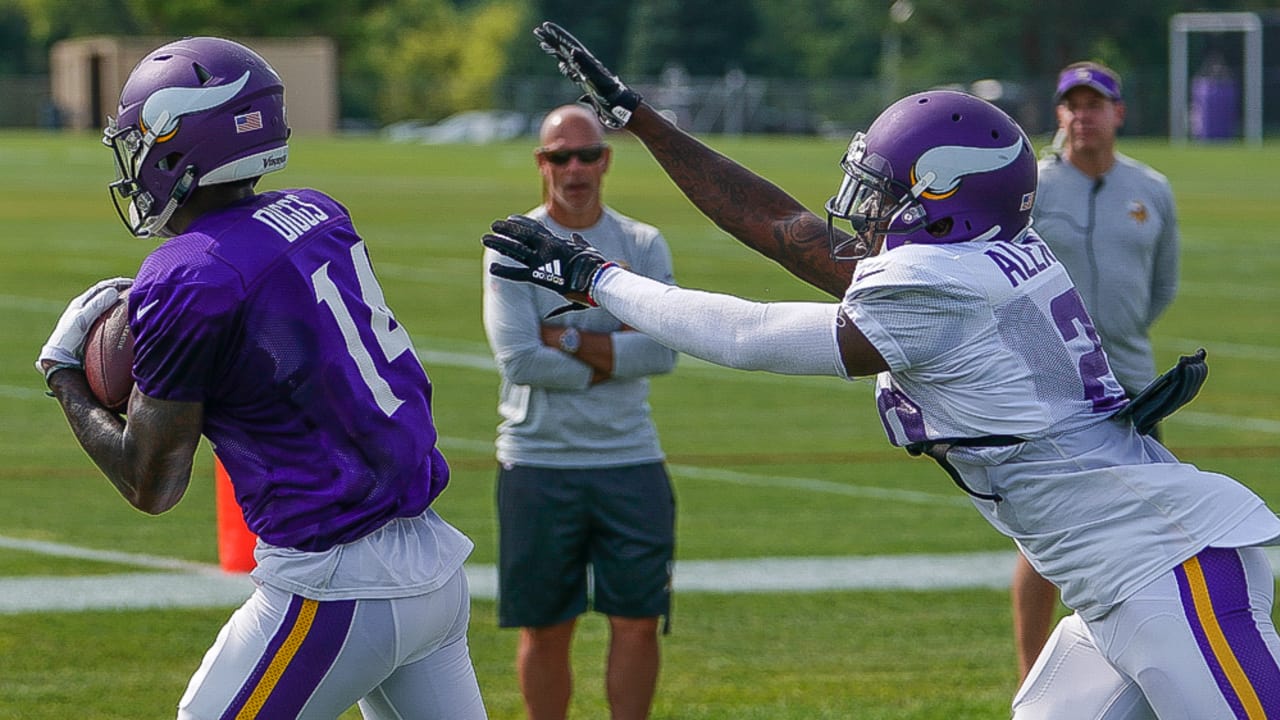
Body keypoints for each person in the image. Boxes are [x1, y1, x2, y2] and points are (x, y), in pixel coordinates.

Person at [482, 22, 1280, 718]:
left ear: (946, 198)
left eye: (886, 192)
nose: (863, 207)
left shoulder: (940, 286)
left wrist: (595, 277)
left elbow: (750, 335)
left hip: (1170, 567)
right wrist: (642, 121)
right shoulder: (988, 253)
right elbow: (783, 226)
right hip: (1118, 576)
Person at [35, 37, 486, 719]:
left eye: (140, 143)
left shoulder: (188, 274)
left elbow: (151, 483)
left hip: (337, 586)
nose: (134, 164)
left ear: (180, 144)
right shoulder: (316, 213)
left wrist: (64, 376)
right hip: (432, 571)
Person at [482, 104, 678, 720]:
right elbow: (518, 360)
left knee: (640, 623)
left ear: (607, 160)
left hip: (631, 459)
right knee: (545, 628)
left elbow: (663, 352)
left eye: (588, 154)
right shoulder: (513, 246)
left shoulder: (642, 244)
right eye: (560, 156)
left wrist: (562, 337)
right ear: (541, 163)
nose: (575, 168)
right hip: (537, 462)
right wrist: (614, 349)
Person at [1011, 60, 1182, 682]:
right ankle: (1033, 677)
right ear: (1060, 115)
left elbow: (1162, 285)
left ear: (1118, 113)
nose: (1083, 116)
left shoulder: (1151, 188)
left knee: (1151, 530)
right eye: (1072, 105)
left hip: (1134, 382)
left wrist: (1121, 332)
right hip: (1050, 386)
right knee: (1045, 540)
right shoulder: (1032, 187)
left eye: (1095, 104)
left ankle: (1138, 668)